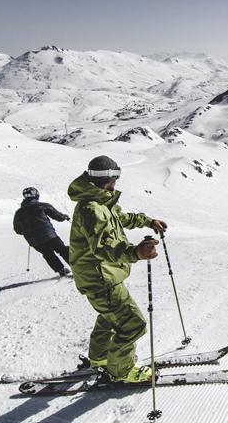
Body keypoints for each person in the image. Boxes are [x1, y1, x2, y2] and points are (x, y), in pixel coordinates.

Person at [67, 155, 167, 383]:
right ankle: (121, 371)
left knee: (110, 317)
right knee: (133, 324)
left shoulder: (100, 200)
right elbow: (103, 247)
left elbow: (120, 218)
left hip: (100, 276)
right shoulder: (91, 209)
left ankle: (100, 358)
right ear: (105, 179)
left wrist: (147, 221)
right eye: (114, 178)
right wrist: (135, 253)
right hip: (100, 278)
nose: (116, 182)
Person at [13, 187, 72, 277]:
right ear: (36, 195)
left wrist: (27, 231)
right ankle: (77, 267)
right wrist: (65, 217)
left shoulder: (18, 213)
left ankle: (61, 270)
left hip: (34, 241)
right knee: (62, 250)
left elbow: (17, 230)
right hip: (49, 235)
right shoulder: (42, 206)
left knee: (47, 253)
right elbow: (58, 217)